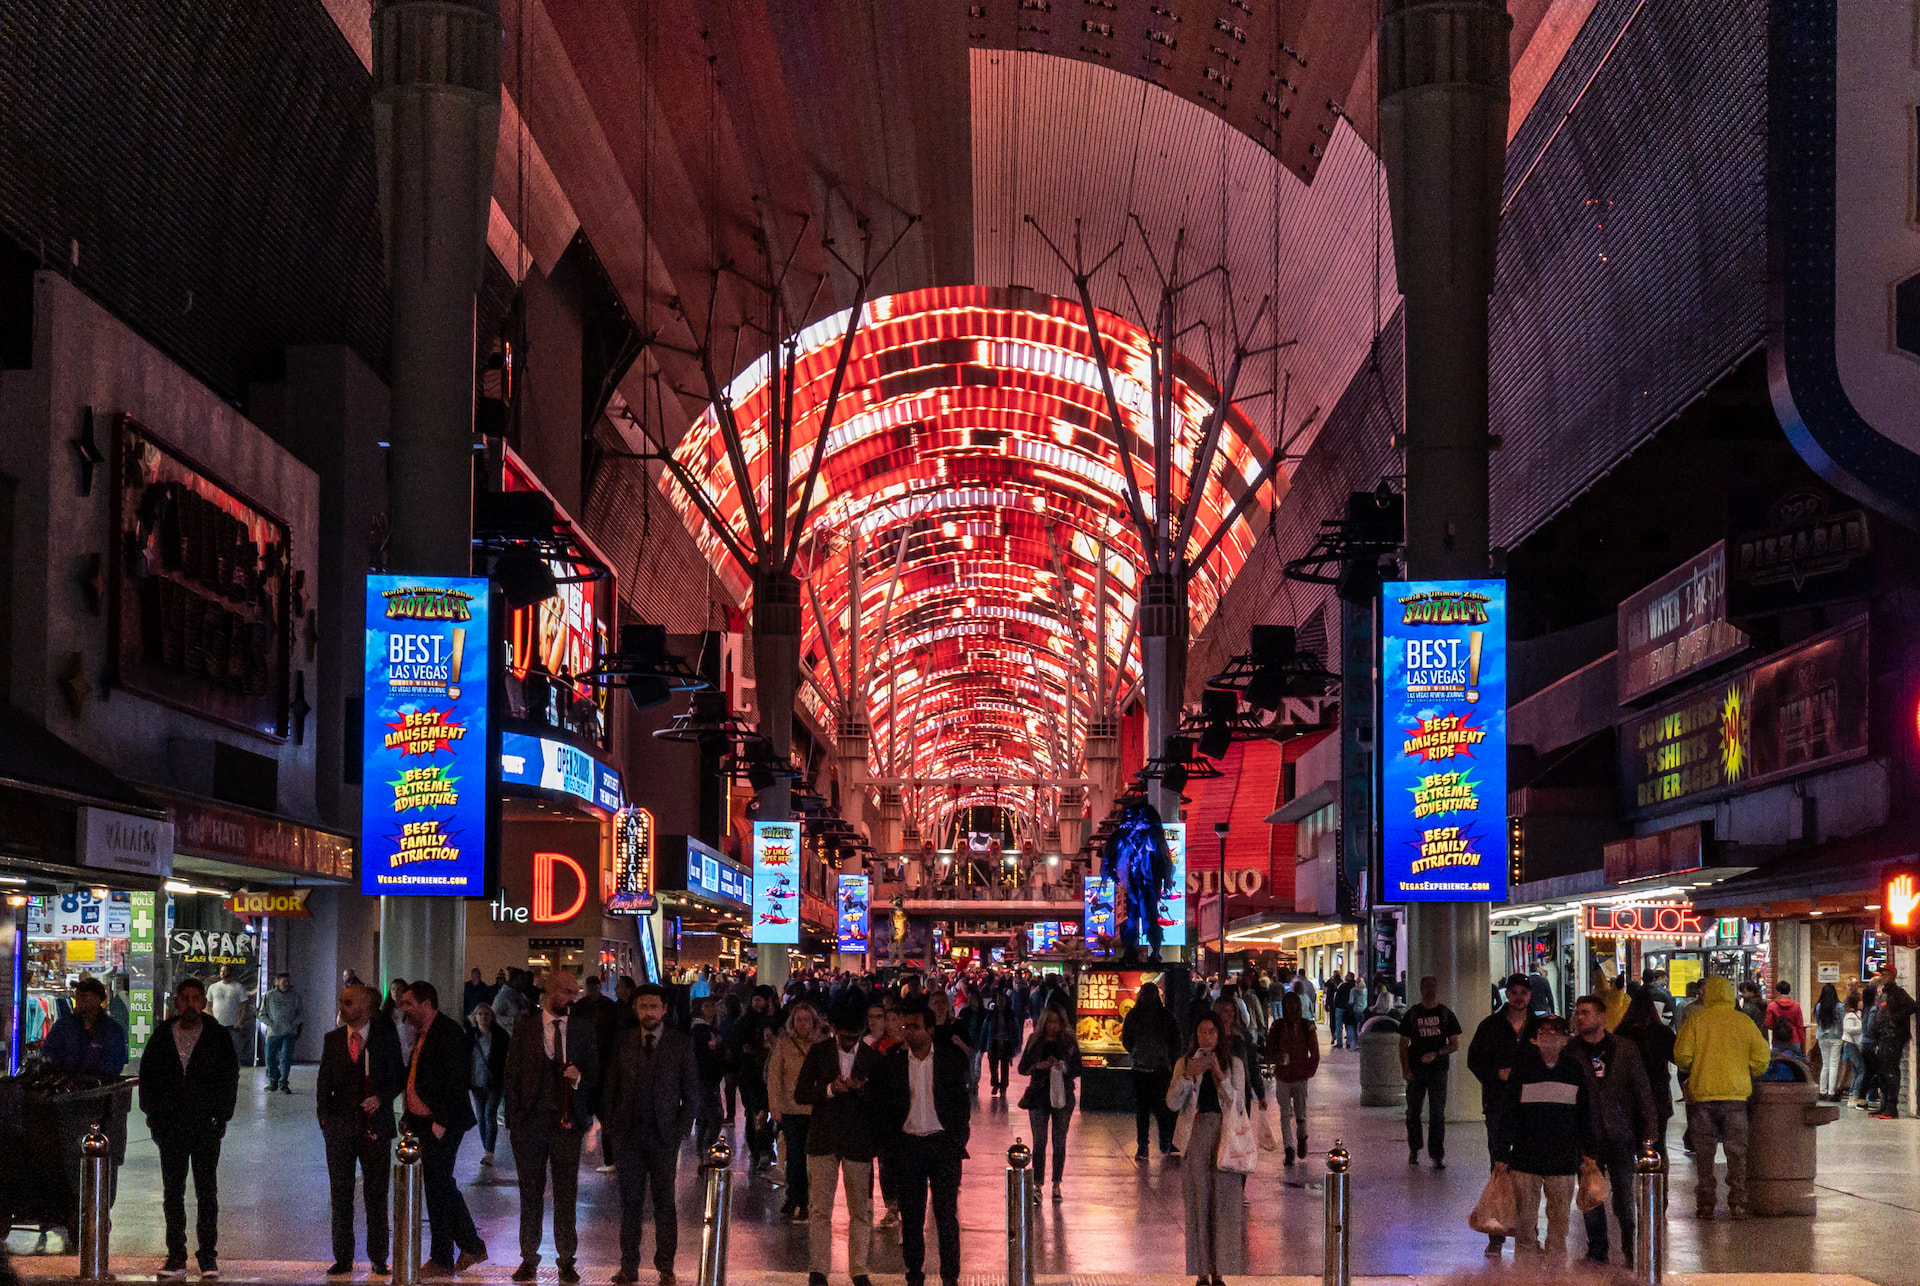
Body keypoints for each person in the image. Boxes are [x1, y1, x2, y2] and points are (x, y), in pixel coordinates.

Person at [138, 977, 239, 1278]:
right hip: (171, 1128)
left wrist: (220, 1117)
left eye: (196, 999)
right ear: (177, 1002)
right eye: (185, 998)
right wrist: (154, 1118)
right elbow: (148, 1079)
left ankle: (208, 1256)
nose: (191, 1004)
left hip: (205, 1127)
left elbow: (229, 1079)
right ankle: (176, 1255)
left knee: (206, 1192)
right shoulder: (161, 1036)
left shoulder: (218, 1036)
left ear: (204, 1003)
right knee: (173, 1193)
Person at [503, 970, 599, 1283]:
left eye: (575, 991)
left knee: (566, 1194)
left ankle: (567, 1260)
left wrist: (579, 1077)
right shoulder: (525, 1027)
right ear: (550, 991)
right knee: (530, 1193)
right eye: (567, 992)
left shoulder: (583, 1030)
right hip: (530, 1123)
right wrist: (515, 1120)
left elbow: (596, 1074)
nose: (573, 998)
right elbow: (512, 1075)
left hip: (567, 1124)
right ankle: (528, 1259)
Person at [601, 983, 698, 1285]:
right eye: (643, 1007)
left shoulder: (679, 1044)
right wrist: (612, 1127)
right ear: (636, 1009)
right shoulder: (623, 1041)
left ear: (664, 1009)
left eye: (654, 1007)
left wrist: (679, 1131)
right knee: (629, 1204)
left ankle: (665, 1266)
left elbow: (691, 1094)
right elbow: (610, 1088)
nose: (648, 1013)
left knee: (664, 1203)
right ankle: (628, 1265)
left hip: (663, 1137)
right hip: (628, 1136)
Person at [874, 1003, 971, 1286]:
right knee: (913, 1217)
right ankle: (914, 1273)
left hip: (942, 1146)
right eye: (906, 1027)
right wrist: (890, 1146)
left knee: (946, 1217)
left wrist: (957, 1139)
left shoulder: (949, 1060)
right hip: (908, 1147)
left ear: (930, 1029)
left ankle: (950, 1275)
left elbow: (960, 1106)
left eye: (915, 1027)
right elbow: (886, 1108)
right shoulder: (893, 1063)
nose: (908, 1032)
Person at [397, 981, 487, 1277]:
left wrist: (441, 1121)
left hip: (442, 1124)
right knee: (439, 1186)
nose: (404, 1009)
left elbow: (456, 1080)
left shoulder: (448, 1033)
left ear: (427, 1003)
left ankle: (448, 1255)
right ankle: (464, 1248)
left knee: (439, 1186)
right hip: (426, 1123)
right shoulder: (422, 1035)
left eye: (409, 1003)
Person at [795, 1004, 887, 1286]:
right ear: (835, 1031)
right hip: (824, 1138)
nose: (849, 1043)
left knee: (861, 1208)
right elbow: (800, 1093)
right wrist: (828, 1090)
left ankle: (859, 1269)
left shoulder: (873, 1058)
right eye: (845, 1037)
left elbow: (882, 1101)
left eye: (854, 1038)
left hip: (858, 1141)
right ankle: (818, 1269)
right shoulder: (819, 1052)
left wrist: (862, 1090)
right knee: (820, 1208)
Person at [316, 983, 403, 1277]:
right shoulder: (333, 1040)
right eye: (342, 1002)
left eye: (349, 1002)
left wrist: (381, 1098)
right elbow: (322, 1086)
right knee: (340, 1194)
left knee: (377, 1194)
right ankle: (343, 1257)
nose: (342, 1007)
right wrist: (326, 1122)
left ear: (365, 1008)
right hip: (340, 1130)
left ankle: (379, 1256)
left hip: (374, 1127)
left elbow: (398, 1077)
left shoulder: (385, 1038)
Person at [1493, 1014, 1594, 1257]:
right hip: (1525, 1160)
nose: (1549, 1037)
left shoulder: (1573, 1070)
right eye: (1543, 1032)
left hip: (1563, 1161)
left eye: (1555, 1032)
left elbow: (1584, 1115)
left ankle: (1555, 1278)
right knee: (1525, 1227)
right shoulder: (1524, 1070)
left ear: (1565, 1040)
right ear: (1534, 1039)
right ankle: (1526, 1278)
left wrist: (1589, 1155)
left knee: (1559, 1228)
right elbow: (1508, 1113)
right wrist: (1501, 1154)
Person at [1673, 975, 1769, 1219]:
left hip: (1702, 1097)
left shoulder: (1696, 1021)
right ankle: (1737, 1203)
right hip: (1736, 1098)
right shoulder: (1744, 1022)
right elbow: (1761, 1060)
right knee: (1737, 1154)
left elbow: (1682, 1057)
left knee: (1704, 1157)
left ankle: (1705, 1204)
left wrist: (1698, 1065)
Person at [1571, 994, 1655, 1265]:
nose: (1580, 1017)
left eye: (1586, 1012)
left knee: (1624, 1195)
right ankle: (1597, 1250)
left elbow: (1642, 1091)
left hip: (1620, 1134)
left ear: (1601, 1016)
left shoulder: (1624, 1050)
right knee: (1591, 1196)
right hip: (1587, 1137)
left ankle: (1630, 1245)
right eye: (1578, 1012)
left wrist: (1649, 1132)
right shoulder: (1571, 1051)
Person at [1167, 1013, 1247, 1286]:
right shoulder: (1185, 1063)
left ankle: (1220, 1271)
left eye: (1212, 1032)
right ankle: (1201, 1271)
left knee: (1223, 1205)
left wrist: (1217, 1072)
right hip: (1196, 1135)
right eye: (1202, 1032)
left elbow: (1237, 1104)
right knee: (1198, 1204)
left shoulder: (1234, 1065)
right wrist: (1190, 1074)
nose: (1207, 1038)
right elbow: (1172, 1103)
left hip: (1225, 1137)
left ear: (1219, 1035)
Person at [1467, 973, 1536, 1256]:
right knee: (1499, 1165)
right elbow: (1474, 1060)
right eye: (1514, 992)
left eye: (1523, 992)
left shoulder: (1540, 1026)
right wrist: (1496, 1074)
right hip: (1498, 1103)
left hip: (1532, 1106)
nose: (1518, 997)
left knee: (1529, 1169)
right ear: (1507, 994)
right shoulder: (1491, 1026)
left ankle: (1528, 1231)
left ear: (1529, 995)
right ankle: (1496, 1232)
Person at [1016, 1002, 1082, 1202]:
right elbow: (1022, 1067)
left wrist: (1064, 1067)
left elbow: (1078, 1068)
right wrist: (1039, 1065)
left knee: (1059, 1141)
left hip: (1062, 1096)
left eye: (1056, 1022)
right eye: (1049, 1022)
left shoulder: (1069, 1042)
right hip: (1039, 1095)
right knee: (1040, 1141)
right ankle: (1037, 1184)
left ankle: (1056, 1183)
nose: (1053, 1026)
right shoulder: (1035, 1040)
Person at [768, 1000, 824, 1224]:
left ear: (813, 1022)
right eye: (799, 1019)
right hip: (791, 1109)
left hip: (816, 1109)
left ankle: (806, 1199)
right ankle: (796, 1197)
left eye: (806, 1019)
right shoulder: (784, 1045)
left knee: (813, 1159)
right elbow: (774, 1076)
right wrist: (775, 1106)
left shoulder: (822, 1045)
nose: (803, 1024)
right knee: (795, 1157)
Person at [1398, 975, 1461, 1169]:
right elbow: (1403, 1043)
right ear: (1421, 988)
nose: (1430, 989)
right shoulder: (1413, 1014)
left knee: (1437, 1113)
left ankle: (1437, 1153)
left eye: (1433, 985)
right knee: (1413, 1112)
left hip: (1438, 1070)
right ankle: (1414, 1149)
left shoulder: (1445, 1014)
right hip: (1417, 1070)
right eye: (1427, 985)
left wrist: (1437, 1053)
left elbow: (1454, 1044)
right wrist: (1405, 1068)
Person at [1614, 988, 1676, 1172]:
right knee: (1657, 1144)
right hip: (1658, 1095)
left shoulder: (1622, 1032)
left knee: (1629, 1145)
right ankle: (1657, 1189)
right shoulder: (1662, 1032)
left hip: (1628, 1096)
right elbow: (1676, 1057)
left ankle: (1629, 1189)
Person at [1121, 981, 1182, 1161]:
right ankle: (1164, 1142)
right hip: (1160, 1068)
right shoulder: (1166, 1016)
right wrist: (1169, 1059)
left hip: (1140, 1067)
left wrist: (1136, 1052)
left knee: (1142, 1109)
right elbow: (1176, 1040)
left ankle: (1143, 1145)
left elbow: (1126, 1040)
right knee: (1161, 1108)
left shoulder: (1134, 1016)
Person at [1265, 989, 1319, 1165]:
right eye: (1287, 1005)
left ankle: (1302, 1136)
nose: (1290, 1009)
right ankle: (1289, 1147)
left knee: (1300, 1113)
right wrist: (1276, 1057)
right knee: (1284, 1113)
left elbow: (1315, 1052)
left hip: (1300, 1075)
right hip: (1283, 1075)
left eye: (1293, 1005)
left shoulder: (1306, 1026)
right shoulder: (1278, 1026)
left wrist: (1309, 1071)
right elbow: (1269, 1048)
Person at [41, 976, 129, 1077]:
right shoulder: (64, 1026)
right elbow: (49, 1052)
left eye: (84, 995)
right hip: (67, 1087)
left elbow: (116, 1062)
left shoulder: (112, 1029)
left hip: (100, 1088)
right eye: (77, 995)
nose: (78, 999)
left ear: (97, 999)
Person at [1869, 967, 1914, 1118]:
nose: (1882, 976)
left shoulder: (1898, 993)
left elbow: (1912, 1006)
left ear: (1892, 975)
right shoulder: (1884, 994)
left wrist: (1895, 1019)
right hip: (1883, 1037)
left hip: (1894, 1037)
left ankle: (1891, 1107)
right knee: (1882, 1072)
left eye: (1884, 974)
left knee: (1891, 1071)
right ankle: (1884, 1104)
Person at [467, 1003, 509, 1165]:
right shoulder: (471, 1036)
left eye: (486, 1014)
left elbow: (505, 1058)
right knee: (480, 1116)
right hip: (476, 1081)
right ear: (475, 1017)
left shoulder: (500, 1036)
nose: (484, 1017)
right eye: (480, 1014)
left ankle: (489, 1151)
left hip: (494, 1082)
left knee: (489, 1115)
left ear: (492, 1017)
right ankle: (487, 1148)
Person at [688, 996, 728, 1158]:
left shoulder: (712, 1029)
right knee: (714, 1117)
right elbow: (700, 1055)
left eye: (713, 1005)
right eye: (707, 1006)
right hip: (704, 1078)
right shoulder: (699, 1030)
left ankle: (703, 1155)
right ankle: (706, 1150)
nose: (711, 1009)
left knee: (705, 1118)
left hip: (711, 1078)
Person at [261, 973, 304, 1095]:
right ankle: (273, 1080)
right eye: (282, 980)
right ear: (276, 982)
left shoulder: (295, 996)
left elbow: (300, 1013)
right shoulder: (269, 996)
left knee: (285, 1058)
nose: (285, 983)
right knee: (270, 1058)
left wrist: (294, 1024)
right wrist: (270, 1023)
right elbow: (261, 1013)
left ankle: (283, 1082)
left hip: (289, 1032)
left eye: (287, 980)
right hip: (272, 1033)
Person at [206, 965, 249, 1067]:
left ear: (230, 972)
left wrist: (239, 1021)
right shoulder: (213, 987)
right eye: (221, 971)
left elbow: (244, 1006)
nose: (222, 973)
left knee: (233, 1050)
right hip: (217, 1025)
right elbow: (208, 1005)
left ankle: (231, 1071)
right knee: (216, 1049)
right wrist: (211, 1021)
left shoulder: (238, 987)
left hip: (232, 1025)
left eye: (225, 971)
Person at [985, 985, 1020, 1093]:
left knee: (1005, 1066)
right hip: (994, 1042)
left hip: (1006, 1042)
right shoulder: (991, 1014)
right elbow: (985, 1028)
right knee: (993, 1065)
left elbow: (1016, 1029)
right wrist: (983, 1043)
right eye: (999, 1000)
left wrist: (1016, 1043)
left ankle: (1003, 1085)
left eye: (1002, 1000)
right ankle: (995, 1083)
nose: (1000, 1002)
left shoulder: (1010, 1015)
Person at [1813, 983, 1844, 1100]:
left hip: (1822, 1036)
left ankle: (1822, 1090)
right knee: (1834, 1064)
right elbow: (1841, 1022)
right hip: (1836, 1036)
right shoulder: (1839, 1006)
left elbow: (1817, 1020)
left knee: (1825, 1064)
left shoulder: (1819, 1006)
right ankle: (1831, 1092)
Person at [1764, 980, 1806, 1051]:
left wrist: (1778, 1027)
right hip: (1794, 1040)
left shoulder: (1772, 1006)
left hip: (1778, 1040)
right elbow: (1800, 1026)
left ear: (1778, 991)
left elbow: (1768, 1024)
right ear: (1789, 991)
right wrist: (1803, 1046)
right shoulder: (1796, 1006)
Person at [1841, 992, 1866, 1106]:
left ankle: (1852, 1094)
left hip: (1854, 1045)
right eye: (1860, 1000)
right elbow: (1848, 1028)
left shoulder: (1857, 1014)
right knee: (1861, 1070)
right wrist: (1862, 1027)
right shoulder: (1851, 1015)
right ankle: (1854, 1095)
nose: (1862, 1002)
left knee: (1856, 1071)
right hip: (1851, 1045)